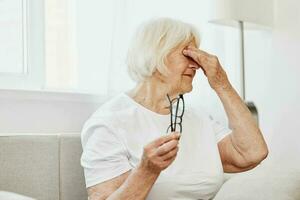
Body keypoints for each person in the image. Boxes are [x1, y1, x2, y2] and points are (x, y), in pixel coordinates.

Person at [80, 17, 268, 200]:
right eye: (188, 54)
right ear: (155, 53)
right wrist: (147, 171)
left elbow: (253, 153)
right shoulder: (108, 122)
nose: (196, 65)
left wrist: (221, 82)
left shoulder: (197, 117)